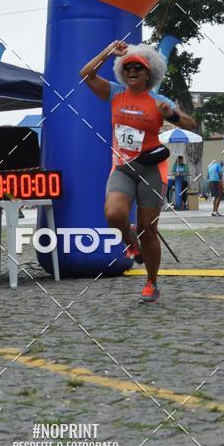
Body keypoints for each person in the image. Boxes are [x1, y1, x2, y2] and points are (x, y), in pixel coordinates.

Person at [80, 40, 195, 304]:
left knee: (148, 229)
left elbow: (191, 122)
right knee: (113, 214)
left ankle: (151, 282)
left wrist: (173, 116)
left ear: (149, 73)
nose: (132, 71)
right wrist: (108, 52)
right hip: (122, 168)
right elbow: (86, 74)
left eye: (138, 68)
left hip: (151, 169)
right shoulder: (115, 93)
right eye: (127, 67)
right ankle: (130, 241)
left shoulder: (158, 100)